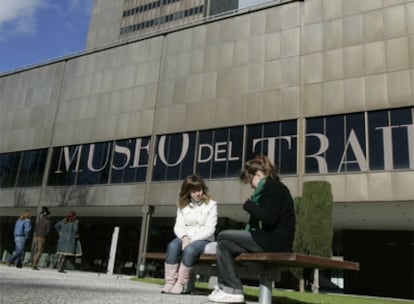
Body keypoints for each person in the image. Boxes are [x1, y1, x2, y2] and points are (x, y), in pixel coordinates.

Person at [208, 155, 296, 303]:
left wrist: (250, 206)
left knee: (223, 235)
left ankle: (230, 287)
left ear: (258, 174)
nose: (251, 185)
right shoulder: (270, 187)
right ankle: (231, 288)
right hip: (270, 239)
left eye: (250, 181)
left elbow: (269, 218)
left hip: (275, 242)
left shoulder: (273, 186)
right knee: (224, 244)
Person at [162, 174, 218, 294]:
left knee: (190, 250)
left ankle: (181, 282)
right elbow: (178, 225)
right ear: (187, 192)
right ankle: (170, 281)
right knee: (172, 246)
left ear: (203, 189)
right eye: (193, 191)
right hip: (185, 237)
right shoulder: (182, 205)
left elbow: (210, 229)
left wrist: (190, 240)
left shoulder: (212, 204)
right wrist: (184, 237)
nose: (197, 193)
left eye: (199, 190)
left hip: (204, 240)